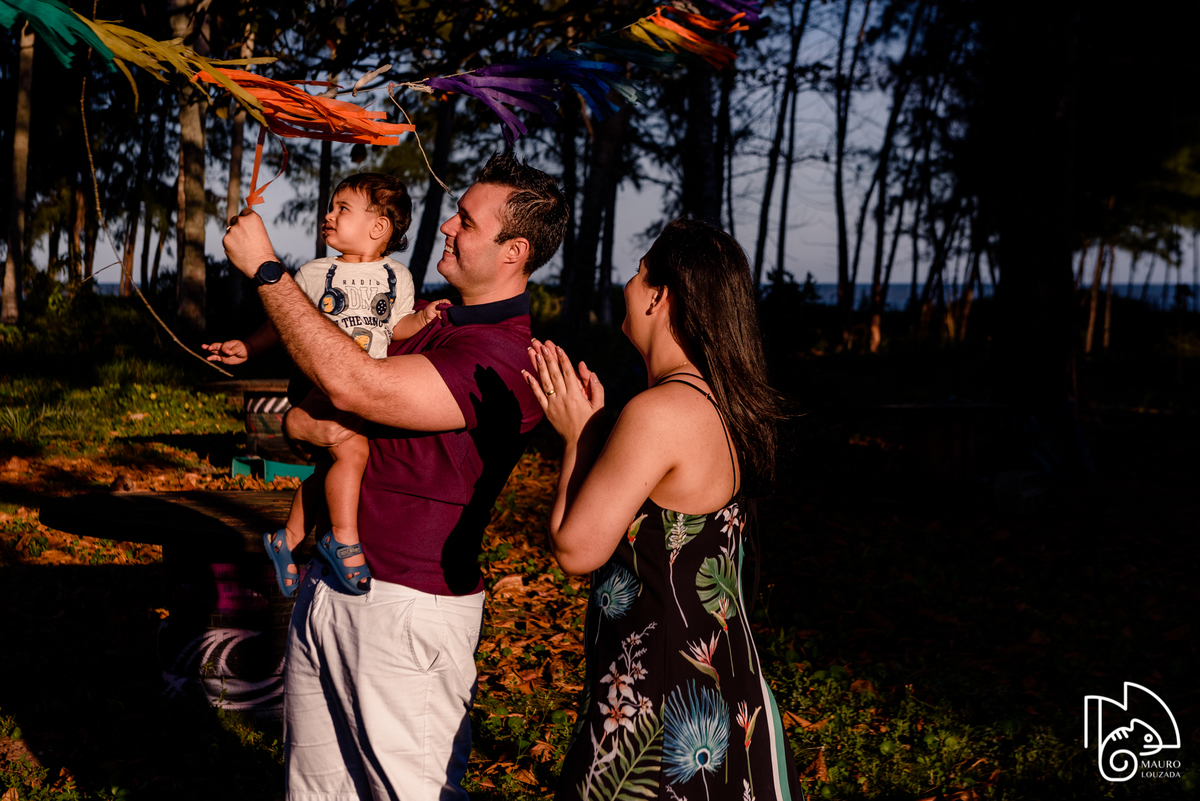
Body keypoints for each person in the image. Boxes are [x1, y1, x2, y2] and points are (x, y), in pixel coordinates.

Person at [222, 152, 569, 800]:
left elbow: (350, 385)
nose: (445, 227)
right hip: (335, 582)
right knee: (317, 791)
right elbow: (311, 410)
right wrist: (311, 420)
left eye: (465, 221)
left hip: (406, 611)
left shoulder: (500, 358)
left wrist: (270, 271)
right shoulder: (429, 323)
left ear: (512, 251)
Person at [523, 217, 801, 801]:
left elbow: (576, 547)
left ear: (660, 295)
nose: (628, 283)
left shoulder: (657, 412)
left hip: (661, 703)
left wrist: (576, 437)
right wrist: (594, 432)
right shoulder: (725, 402)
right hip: (725, 689)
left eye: (638, 271)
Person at [203, 173, 445, 596]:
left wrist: (421, 320)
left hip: (365, 390)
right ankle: (342, 538)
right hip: (321, 387)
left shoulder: (397, 278)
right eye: (330, 207)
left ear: (378, 228)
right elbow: (284, 322)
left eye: (342, 209)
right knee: (353, 452)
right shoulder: (316, 273)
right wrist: (248, 346)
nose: (327, 215)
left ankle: (288, 539)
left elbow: (396, 326)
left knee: (333, 465)